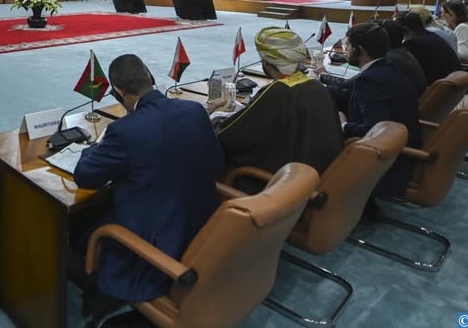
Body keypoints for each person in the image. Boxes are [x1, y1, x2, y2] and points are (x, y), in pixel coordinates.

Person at [73, 54, 224, 303]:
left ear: (118, 91)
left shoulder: (124, 131)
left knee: (80, 232)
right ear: (150, 78)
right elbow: (217, 163)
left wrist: (92, 149)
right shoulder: (195, 110)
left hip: (156, 251)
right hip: (201, 232)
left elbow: (85, 176)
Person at [216, 28, 344, 176]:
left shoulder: (276, 92)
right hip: (317, 177)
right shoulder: (317, 86)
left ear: (265, 62)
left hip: (277, 180)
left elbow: (228, 137)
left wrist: (216, 115)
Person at [322, 23, 421, 198]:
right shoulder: (387, 68)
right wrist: (319, 87)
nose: (346, 50)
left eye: (348, 46)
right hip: (401, 150)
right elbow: (351, 94)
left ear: (359, 50)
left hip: (385, 166)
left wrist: (344, 125)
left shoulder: (369, 81)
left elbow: (373, 129)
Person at [398, 11, 461, 84]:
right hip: (455, 84)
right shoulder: (431, 35)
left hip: (438, 86)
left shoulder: (412, 43)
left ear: (404, 29)